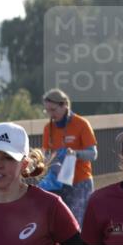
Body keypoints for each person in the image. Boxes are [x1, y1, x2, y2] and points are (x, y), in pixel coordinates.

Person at [42, 88, 98, 225]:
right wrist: (47, 161)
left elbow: (93, 154)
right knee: (61, 223)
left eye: (53, 110)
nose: (51, 114)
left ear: (65, 105)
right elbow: (45, 155)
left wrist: (75, 154)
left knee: (78, 223)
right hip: (58, 183)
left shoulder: (81, 124)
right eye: (47, 111)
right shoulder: (48, 128)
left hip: (80, 182)